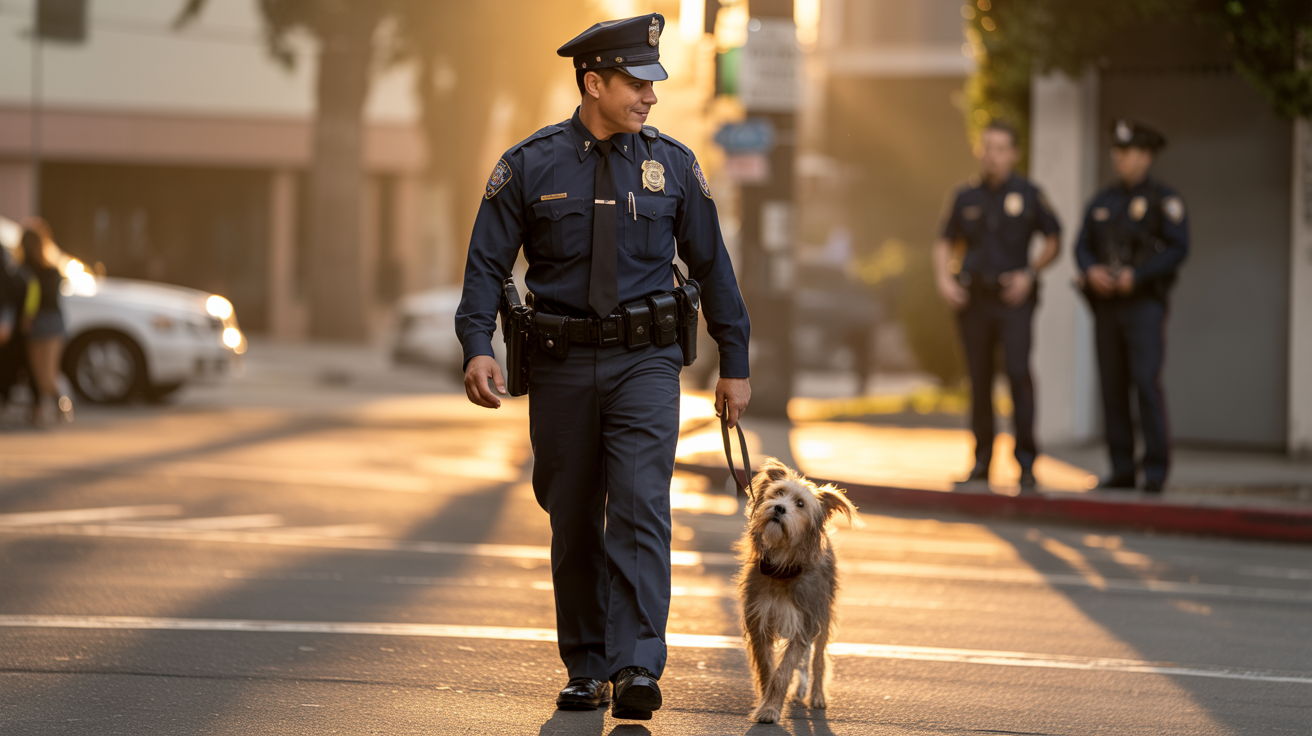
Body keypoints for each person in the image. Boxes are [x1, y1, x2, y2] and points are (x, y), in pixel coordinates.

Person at [455, 14, 751, 721]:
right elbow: (485, 266)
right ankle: (587, 667)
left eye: (653, 82)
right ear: (594, 83)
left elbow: (714, 268)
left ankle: (638, 664)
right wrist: (475, 345)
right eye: (637, 82)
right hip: (559, 366)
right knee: (573, 516)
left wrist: (734, 361)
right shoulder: (529, 164)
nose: (651, 95)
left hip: (646, 363)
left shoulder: (674, 164)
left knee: (642, 504)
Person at [933, 121, 1061, 492]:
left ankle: (1026, 464)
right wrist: (944, 280)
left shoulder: (1030, 194)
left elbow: (1054, 238)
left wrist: (1030, 273)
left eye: (1001, 148)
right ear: (980, 151)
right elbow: (944, 241)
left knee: (1018, 374)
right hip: (974, 300)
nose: (993, 155)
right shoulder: (964, 196)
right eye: (987, 147)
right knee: (980, 380)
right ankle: (982, 461)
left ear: (1014, 153)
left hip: (1013, 301)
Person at [1075, 119, 1187, 493]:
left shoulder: (1163, 200)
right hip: (1106, 307)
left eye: (1127, 152)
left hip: (1144, 305)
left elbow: (1177, 248)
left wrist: (1136, 276)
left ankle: (1155, 469)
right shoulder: (1102, 201)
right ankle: (1121, 468)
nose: (1119, 159)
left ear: (1146, 156)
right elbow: (1082, 245)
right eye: (1116, 152)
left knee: (1145, 382)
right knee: (1111, 386)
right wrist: (1091, 271)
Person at [19, 227, 72, 426]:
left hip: (45, 322)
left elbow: (40, 297)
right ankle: (41, 410)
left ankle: (61, 402)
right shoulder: (27, 268)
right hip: (41, 323)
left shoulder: (46, 270)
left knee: (47, 376)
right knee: (38, 374)